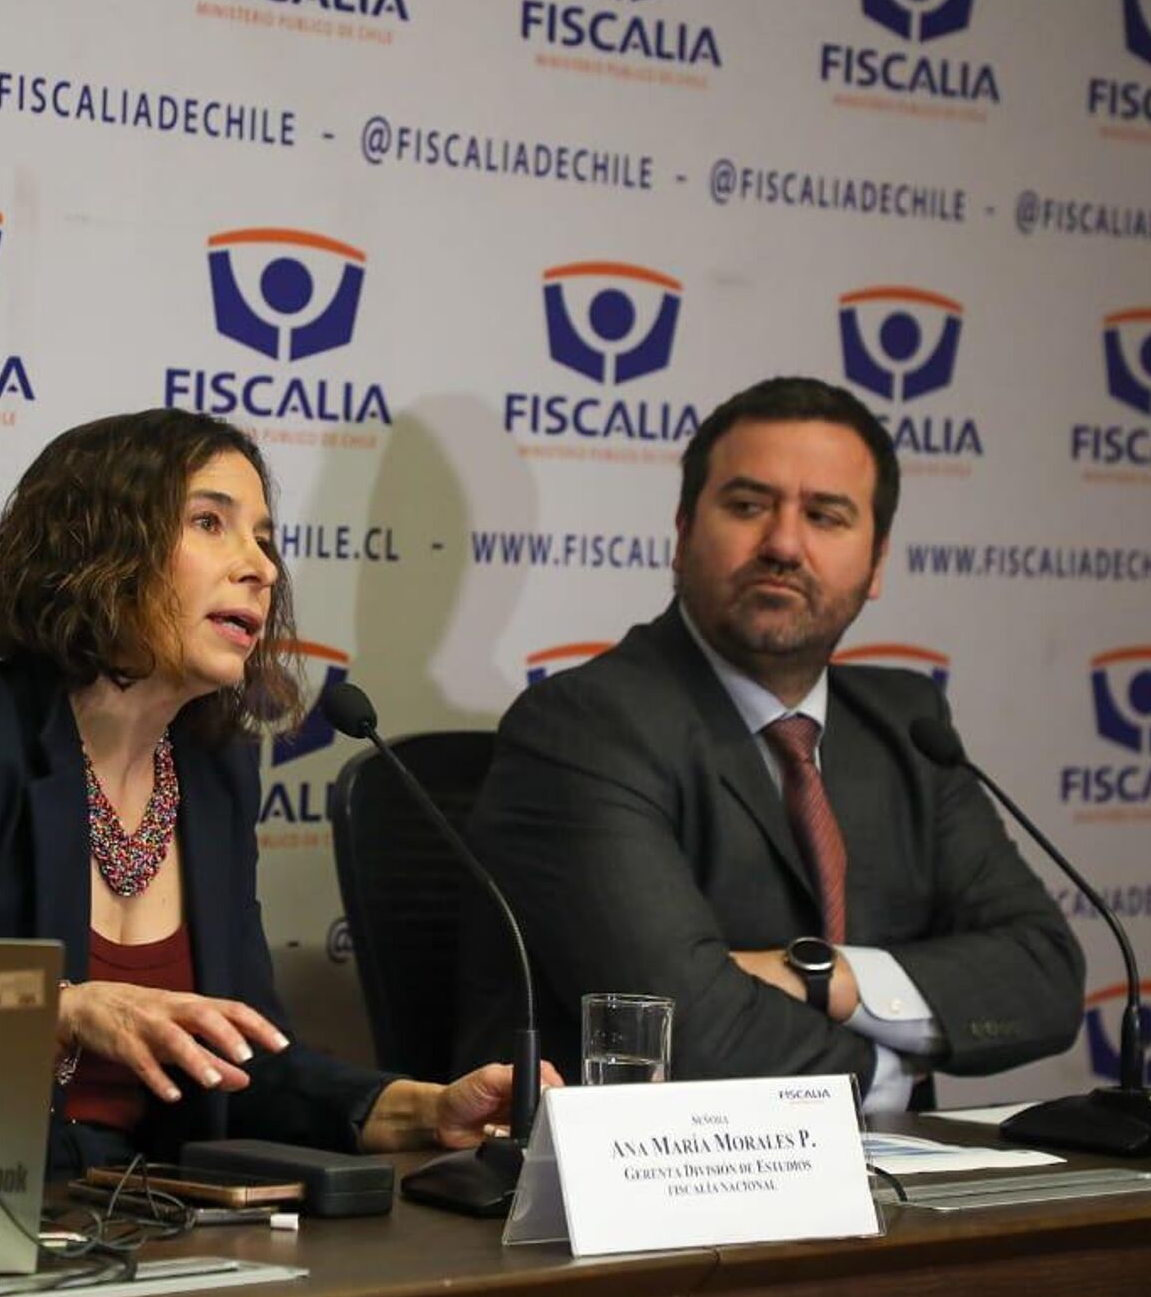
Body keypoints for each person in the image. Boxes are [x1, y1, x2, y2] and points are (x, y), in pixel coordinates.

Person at [0, 407, 553, 1173]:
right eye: (210, 522)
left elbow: (245, 1062)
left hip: (157, 1213)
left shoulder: (212, 772)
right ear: (97, 548)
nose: (262, 568)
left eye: (263, 538)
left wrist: (425, 1109)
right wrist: (58, 1009)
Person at [455, 376, 1083, 1109]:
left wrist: (819, 975)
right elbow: (686, 1032)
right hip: (652, 1173)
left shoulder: (908, 726)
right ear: (683, 531)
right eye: (749, 506)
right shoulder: (583, 727)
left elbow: (1045, 976)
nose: (784, 544)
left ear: (877, 562)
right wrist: (896, 1067)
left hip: (887, 1177)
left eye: (825, 515)